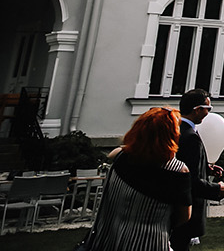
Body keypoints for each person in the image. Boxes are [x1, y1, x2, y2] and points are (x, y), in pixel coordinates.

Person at [81, 106, 193, 251]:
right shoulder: (178, 171)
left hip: (108, 239)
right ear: (172, 135)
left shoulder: (118, 156)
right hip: (150, 242)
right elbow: (184, 217)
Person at [172, 88, 224, 251]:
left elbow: (181, 164)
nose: (208, 113)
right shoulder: (191, 137)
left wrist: (205, 168)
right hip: (186, 208)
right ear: (197, 110)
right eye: (208, 108)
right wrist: (217, 189)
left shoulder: (176, 129)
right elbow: (190, 179)